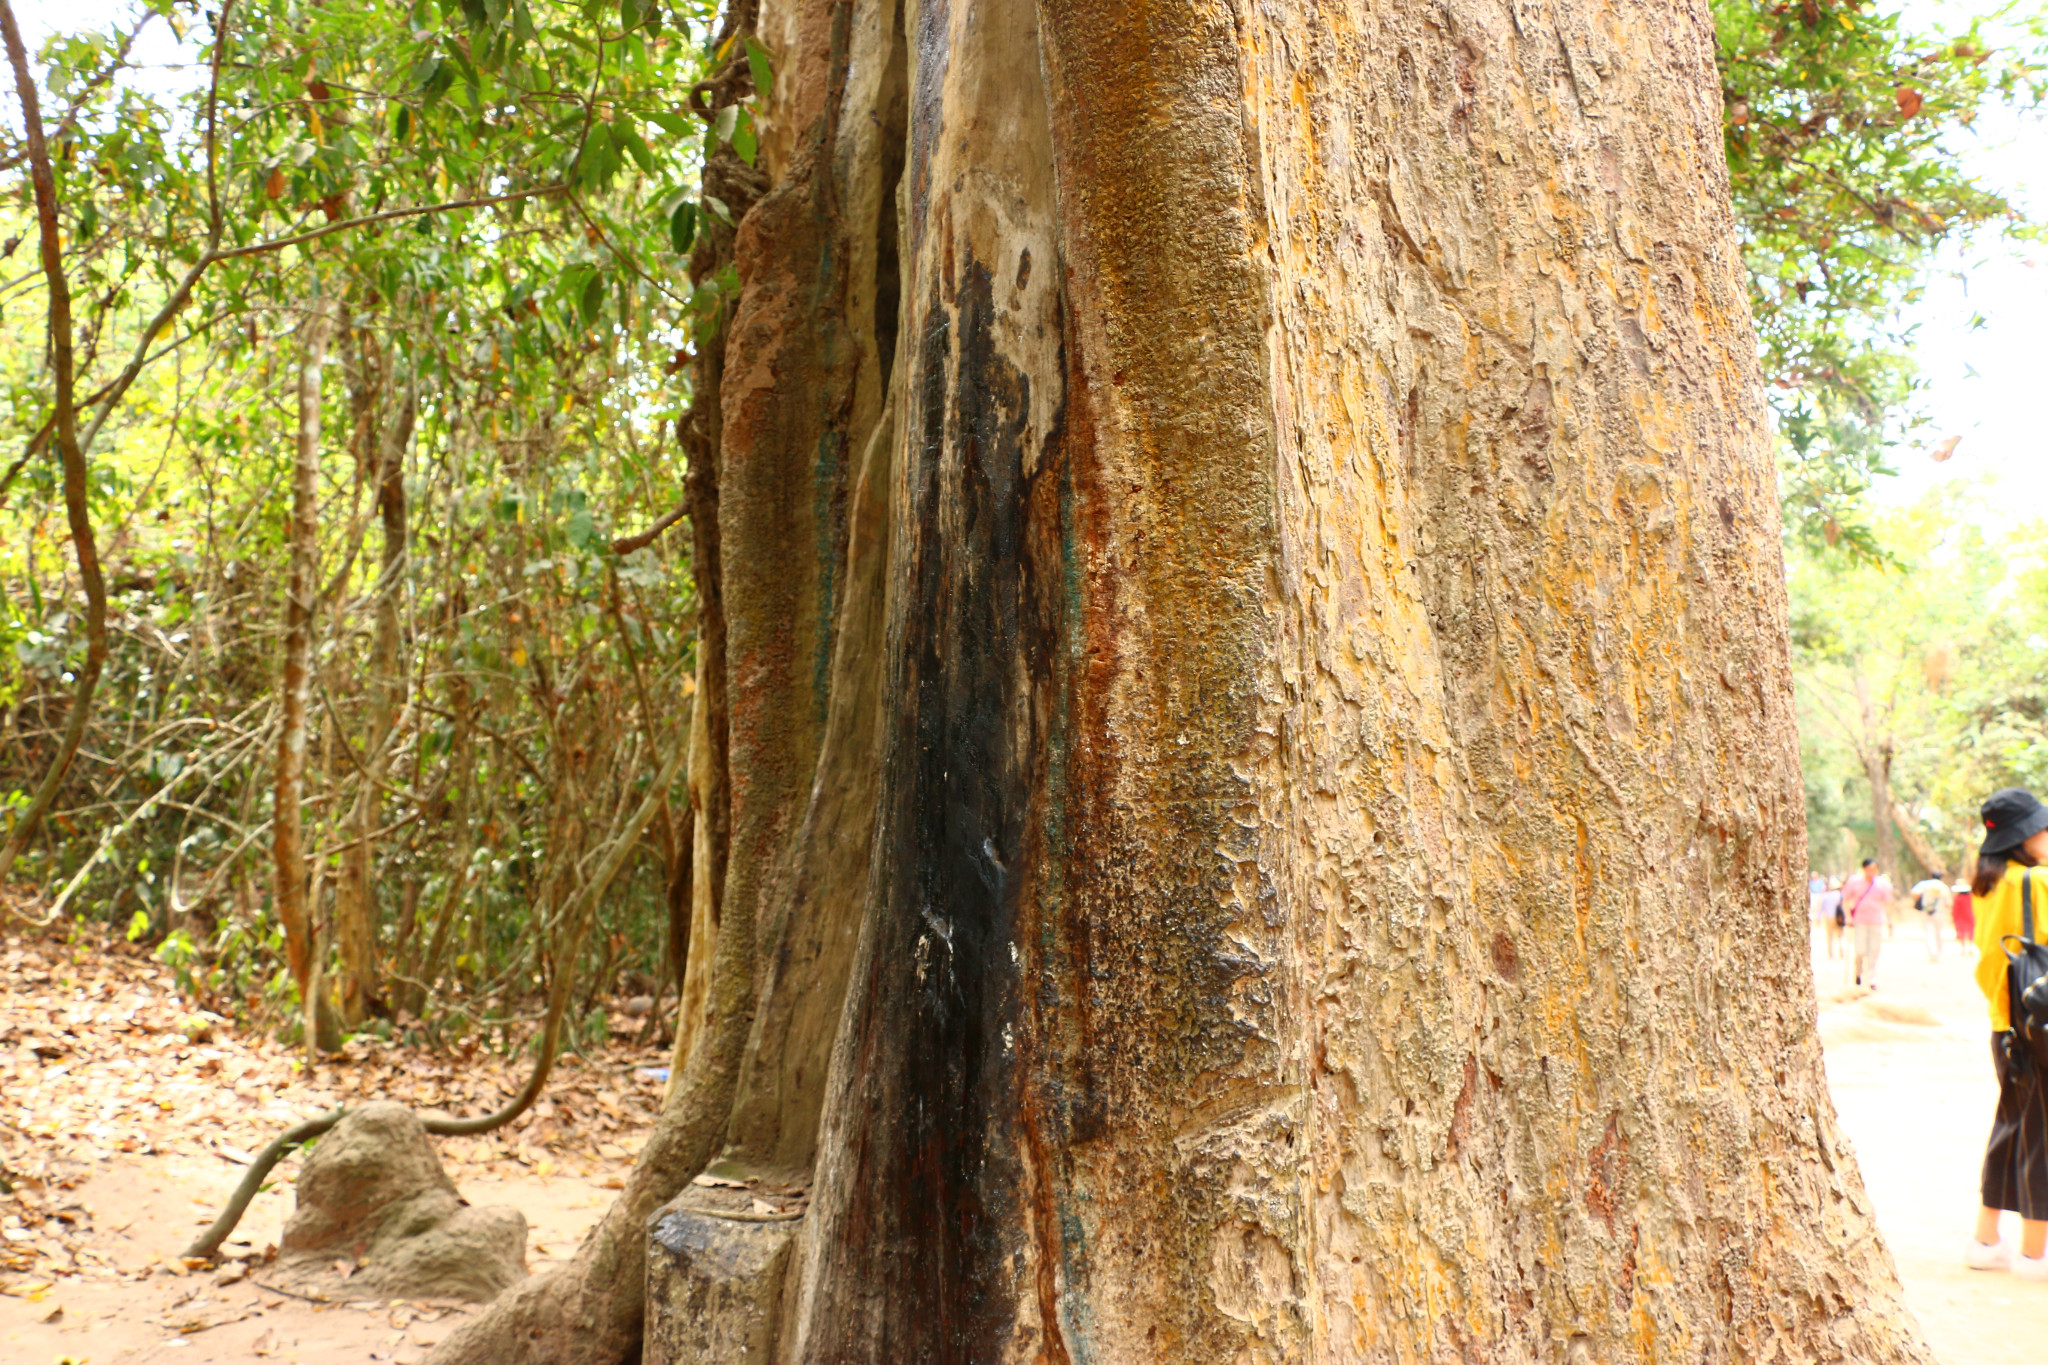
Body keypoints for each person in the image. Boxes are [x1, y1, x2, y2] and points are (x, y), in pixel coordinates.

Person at [1965, 788, 2048, 1279]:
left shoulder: (1989, 883)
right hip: (2039, 1023)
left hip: (2007, 1026)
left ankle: (1985, 1240)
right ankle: (2034, 1253)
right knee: (2041, 1136)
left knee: (2012, 1127)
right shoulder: (2035, 882)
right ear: (2021, 837)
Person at [1842, 858, 1892, 988]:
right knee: (1860, 950)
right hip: (1859, 921)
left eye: (1874, 869)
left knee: (1874, 950)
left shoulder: (1882, 884)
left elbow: (1887, 903)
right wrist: (1848, 916)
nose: (1872, 872)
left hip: (1876, 921)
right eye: (1869, 869)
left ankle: (1871, 978)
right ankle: (1858, 972)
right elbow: (1845, 899)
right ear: (1864, 869)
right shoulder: (1854, 882)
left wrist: (1889, 921)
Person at [1911, 874, 1951, 961]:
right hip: (1939, 913)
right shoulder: (1943, 887)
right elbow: (1948, 903)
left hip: (1925, 912)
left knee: (1928, 933)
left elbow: (1914, 892)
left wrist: (1920, 899)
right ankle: (1938, 954)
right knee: (1939, 933)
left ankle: (1932, 954)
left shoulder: (1924, 884)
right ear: (1941, 878)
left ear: (1931, 876)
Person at [1820, 876, 1846, 960]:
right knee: (1840, 935)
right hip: (1839, 918)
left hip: (1829, 918)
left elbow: (1821, 908)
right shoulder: (1840, 895)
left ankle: (1830, 953)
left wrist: (1818, 918)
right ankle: (1841, 951)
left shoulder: (1826, 896)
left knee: (1829, 936)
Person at [1954, 878, 1977, 962]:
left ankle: (1963, 949)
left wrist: (1954, 917)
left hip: (1961, 918)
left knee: (1962, 933)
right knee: (1971, 932)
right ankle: (1970, 948)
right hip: (1970, 917)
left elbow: (1955, 910)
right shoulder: (1972, 897)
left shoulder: (1958, 898)